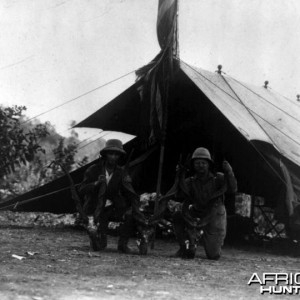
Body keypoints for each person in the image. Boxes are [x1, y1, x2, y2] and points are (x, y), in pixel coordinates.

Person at [78, 139, 144, 254]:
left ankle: (123, 245)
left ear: (119, 156)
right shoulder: (94, 170)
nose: (113, 157)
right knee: (100, 246)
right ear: (105, 154)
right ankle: (95, 236)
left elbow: (129, 193)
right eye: (111, 153)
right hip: (94, 209)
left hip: (112, 208)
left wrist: (128, 185)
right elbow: (82, 190)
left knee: (130, 215)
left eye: (116, 154)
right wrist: (95, 183)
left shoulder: (121, 172)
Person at [173, 147, 237, 260]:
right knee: (178, 215)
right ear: (193, 165)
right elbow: (177, 194)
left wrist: (229, 172)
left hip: (214, 215)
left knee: (213, 255)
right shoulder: (190, 181)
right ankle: (184, 246)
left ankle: (203, 239)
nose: (200, 165)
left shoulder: (219, 178)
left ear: (209, 164)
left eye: (203, 163)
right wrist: (178, 176)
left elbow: (233, 189)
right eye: (197, 163)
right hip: (197, 212)